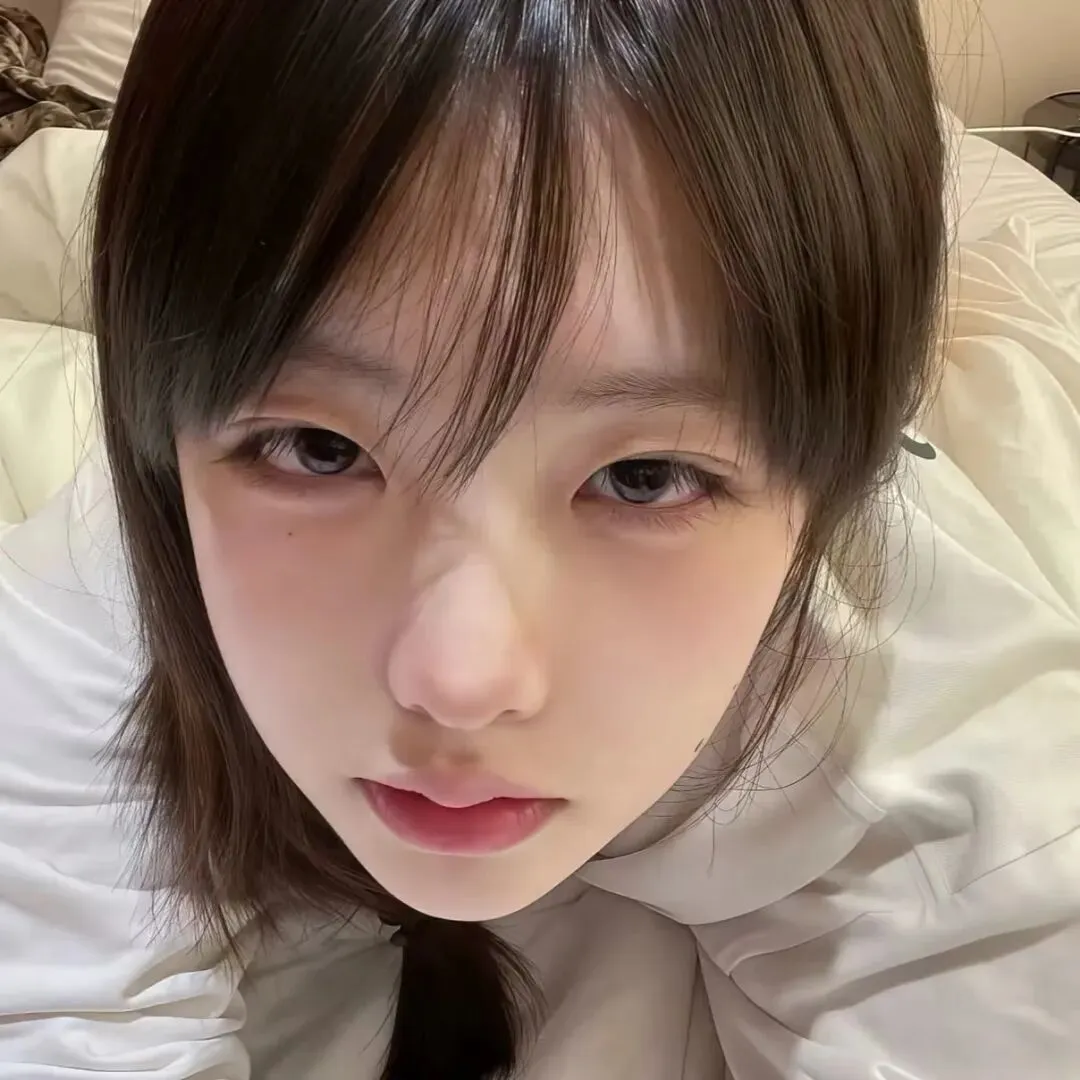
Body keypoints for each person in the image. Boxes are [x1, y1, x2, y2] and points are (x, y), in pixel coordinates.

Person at [1, 0, 1078, 1077]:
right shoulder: (101, 602)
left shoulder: (955, 788)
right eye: (322, 450)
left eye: (643, 476)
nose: (459, 682)